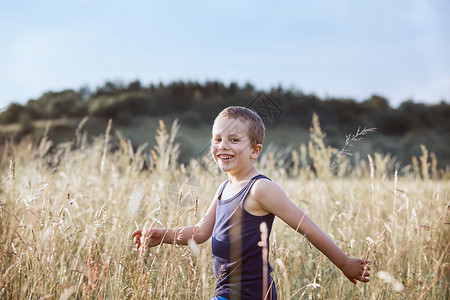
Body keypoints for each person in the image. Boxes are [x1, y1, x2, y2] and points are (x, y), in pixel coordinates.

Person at [132, 106, 370, 299]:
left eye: (234, 139)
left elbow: (306, 227)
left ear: (255, 151)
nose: (223, 145)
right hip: (227, 291)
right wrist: (162, 236)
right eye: (217, 139)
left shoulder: (260, 188)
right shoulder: (224, 188)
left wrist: (344, 262)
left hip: (252, 294)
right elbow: (199, 232)